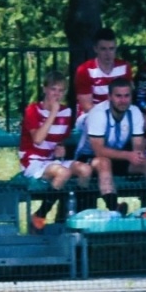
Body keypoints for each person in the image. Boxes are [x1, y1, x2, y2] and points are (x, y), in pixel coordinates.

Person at [82, 77, 146, 211]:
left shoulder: (135, 112)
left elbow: (138, 146)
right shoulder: (98, 113)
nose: (123, 100)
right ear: (109, 97)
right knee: (103, 162)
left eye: (126, 96)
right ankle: (114, 209)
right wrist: (129, 155)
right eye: (118, 96)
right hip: (89, 159)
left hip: (121, 157)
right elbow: (98, 150)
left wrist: (138, 155)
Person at [18, 71, 87, 227]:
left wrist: (61, 146)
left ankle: (77, 217)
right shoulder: (32, 110)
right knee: (63, 173)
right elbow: (38, 139)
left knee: (85, 170)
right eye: (53, 89)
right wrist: (53, 113)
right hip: (32, 161)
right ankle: (39, 216)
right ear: (45, 89)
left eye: (61, 90)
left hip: (51, 160)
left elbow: (61, 138)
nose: (57, 94)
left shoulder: (67, 112)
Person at [73, 27, 131, 115]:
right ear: (95, 49)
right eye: (103, 49)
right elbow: (87, 106)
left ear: (116, 48)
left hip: (118, 114)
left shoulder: (124, 67)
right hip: (90, 116)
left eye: (111, 49)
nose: (108, 53)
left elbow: (127, 98)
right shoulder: (84, 70)